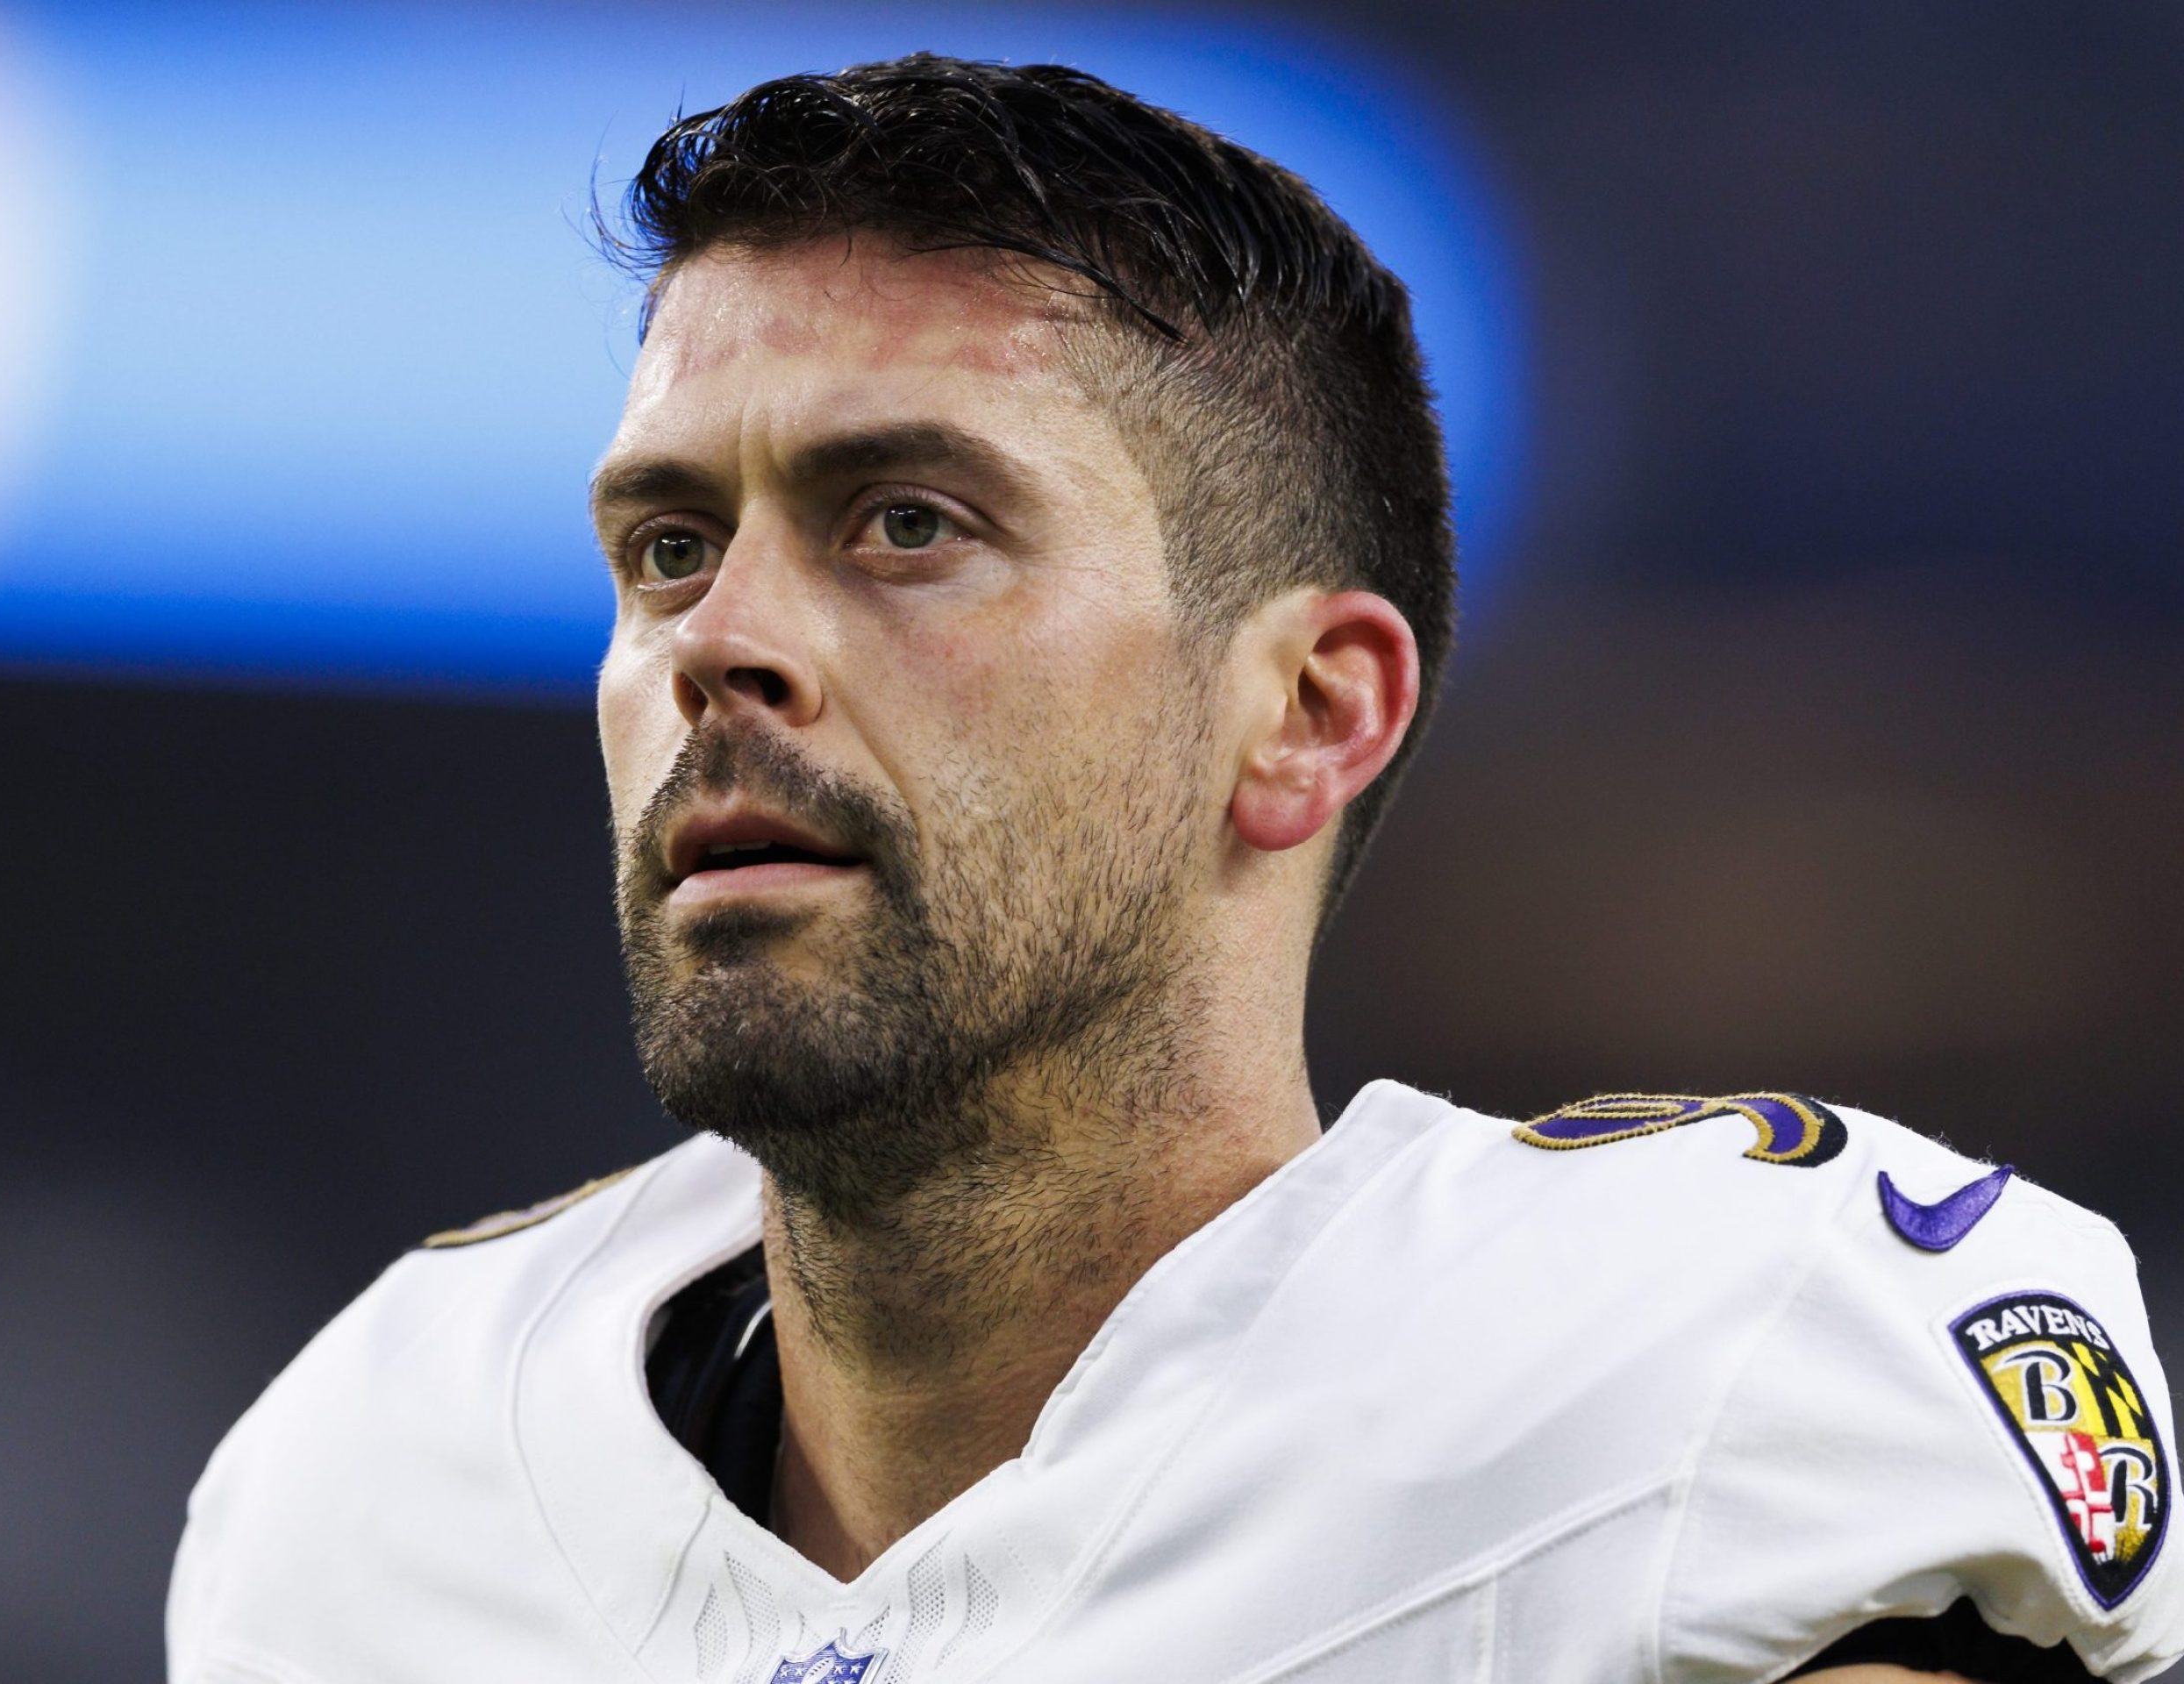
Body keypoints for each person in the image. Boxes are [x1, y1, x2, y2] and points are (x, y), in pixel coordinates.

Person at [166, 54, 2179, 1684]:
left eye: (909, 523)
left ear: (1305, 710)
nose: (717, 644)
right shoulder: (367, 1489)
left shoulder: (1700, 1393)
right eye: (668, 545)